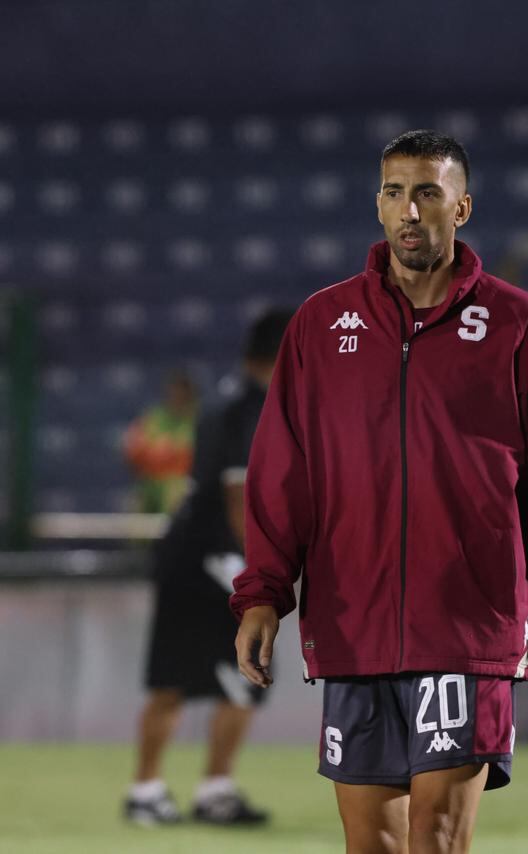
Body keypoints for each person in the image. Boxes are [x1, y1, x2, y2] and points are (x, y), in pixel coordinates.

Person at [230, 130, 528, 854]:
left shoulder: (515, 322)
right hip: (353, 624)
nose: (409, 210)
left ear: (462, 207)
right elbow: (283, 472)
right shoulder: (321, 324)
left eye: (428, 193)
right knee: (370, 845)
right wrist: (262, 593)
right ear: (378, 207)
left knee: (435, 839)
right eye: (393, 192)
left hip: (468, 625)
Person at [125, 308, 293, 826]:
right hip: (209, 561)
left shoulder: (232, 400)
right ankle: (149, 790)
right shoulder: (251, 407)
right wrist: (257, 572)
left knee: (240, 674)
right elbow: (239, 496)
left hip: (199, 557)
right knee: (181, 677)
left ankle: (207, 789)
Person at [123, 369, 199, 514]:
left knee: (175, 491)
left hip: (182, 486)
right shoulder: (153, 418)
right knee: (138, 500)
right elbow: (133, 452)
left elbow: (192, 458)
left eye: (183, 393)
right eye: (174, 392)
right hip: (148, 484)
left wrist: (164, 453)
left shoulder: (199, 421)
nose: (178, 397)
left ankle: (176, 535)